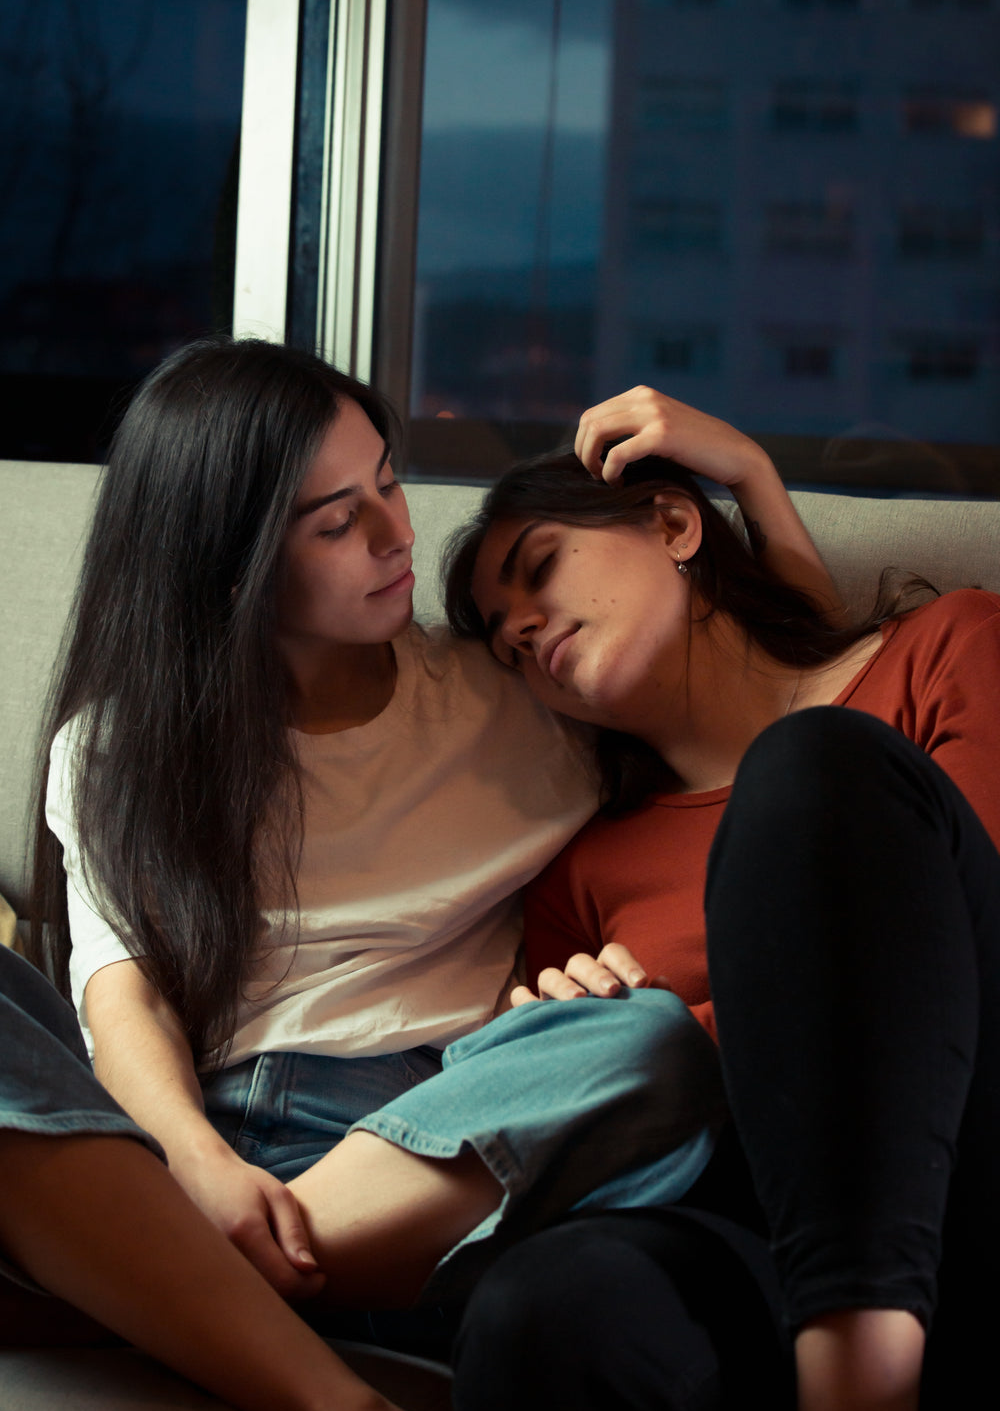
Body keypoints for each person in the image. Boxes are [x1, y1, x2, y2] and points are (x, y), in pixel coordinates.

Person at [27, 343, 827, 1325]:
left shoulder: (516, 692)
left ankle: (170, 1285)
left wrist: (752, 484)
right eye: (336, 522)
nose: (395, 533)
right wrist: (197, 1167)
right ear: (229, 572)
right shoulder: (119, 746)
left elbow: (795, 713)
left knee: (650, 1045)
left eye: (388, 483)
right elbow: (125, 1003)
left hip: (471, 1127)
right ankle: (230, 1260)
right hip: (231, 1131)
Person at [442, 434, 1000, 1411]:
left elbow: (942, 930)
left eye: (539, 571)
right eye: (500, 638)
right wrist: (590, 1049)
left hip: (971, 1152)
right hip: (748, 1220)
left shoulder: (949, 646)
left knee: (814, 767)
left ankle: (859, 1397)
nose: (520, 631)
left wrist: (673, 1030)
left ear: (672, 523)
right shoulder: (582, 875)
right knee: (542, 1309)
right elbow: (553, 1137)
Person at [0, 943, 441, 1411]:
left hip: (389, 1134)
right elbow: (128, 1001)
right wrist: (195, 1160)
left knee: (541, 1048)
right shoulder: (140, 863)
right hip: (145, 1148)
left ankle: (111, 1280)